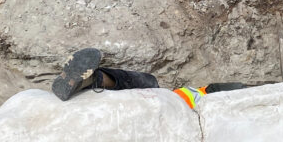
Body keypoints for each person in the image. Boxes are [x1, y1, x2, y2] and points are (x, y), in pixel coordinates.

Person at [50, 47, 247, 108]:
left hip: (175, 101)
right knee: (148, 83)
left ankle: (98, 79)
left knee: (148, 83)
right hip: (181, 103)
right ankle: (98, 80)